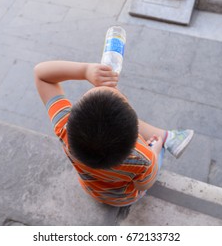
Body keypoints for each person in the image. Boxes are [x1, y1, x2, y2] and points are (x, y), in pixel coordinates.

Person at [34, 60, 194, 207]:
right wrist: (155, 150)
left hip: (91, 190)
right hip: (123, 199)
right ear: (136, 138)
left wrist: (84, 71)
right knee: (156, 152)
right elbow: (143, 185)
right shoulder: (142, 157)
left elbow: (41, 74)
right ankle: (165, 141)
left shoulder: (64, 126)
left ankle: (170, 137)